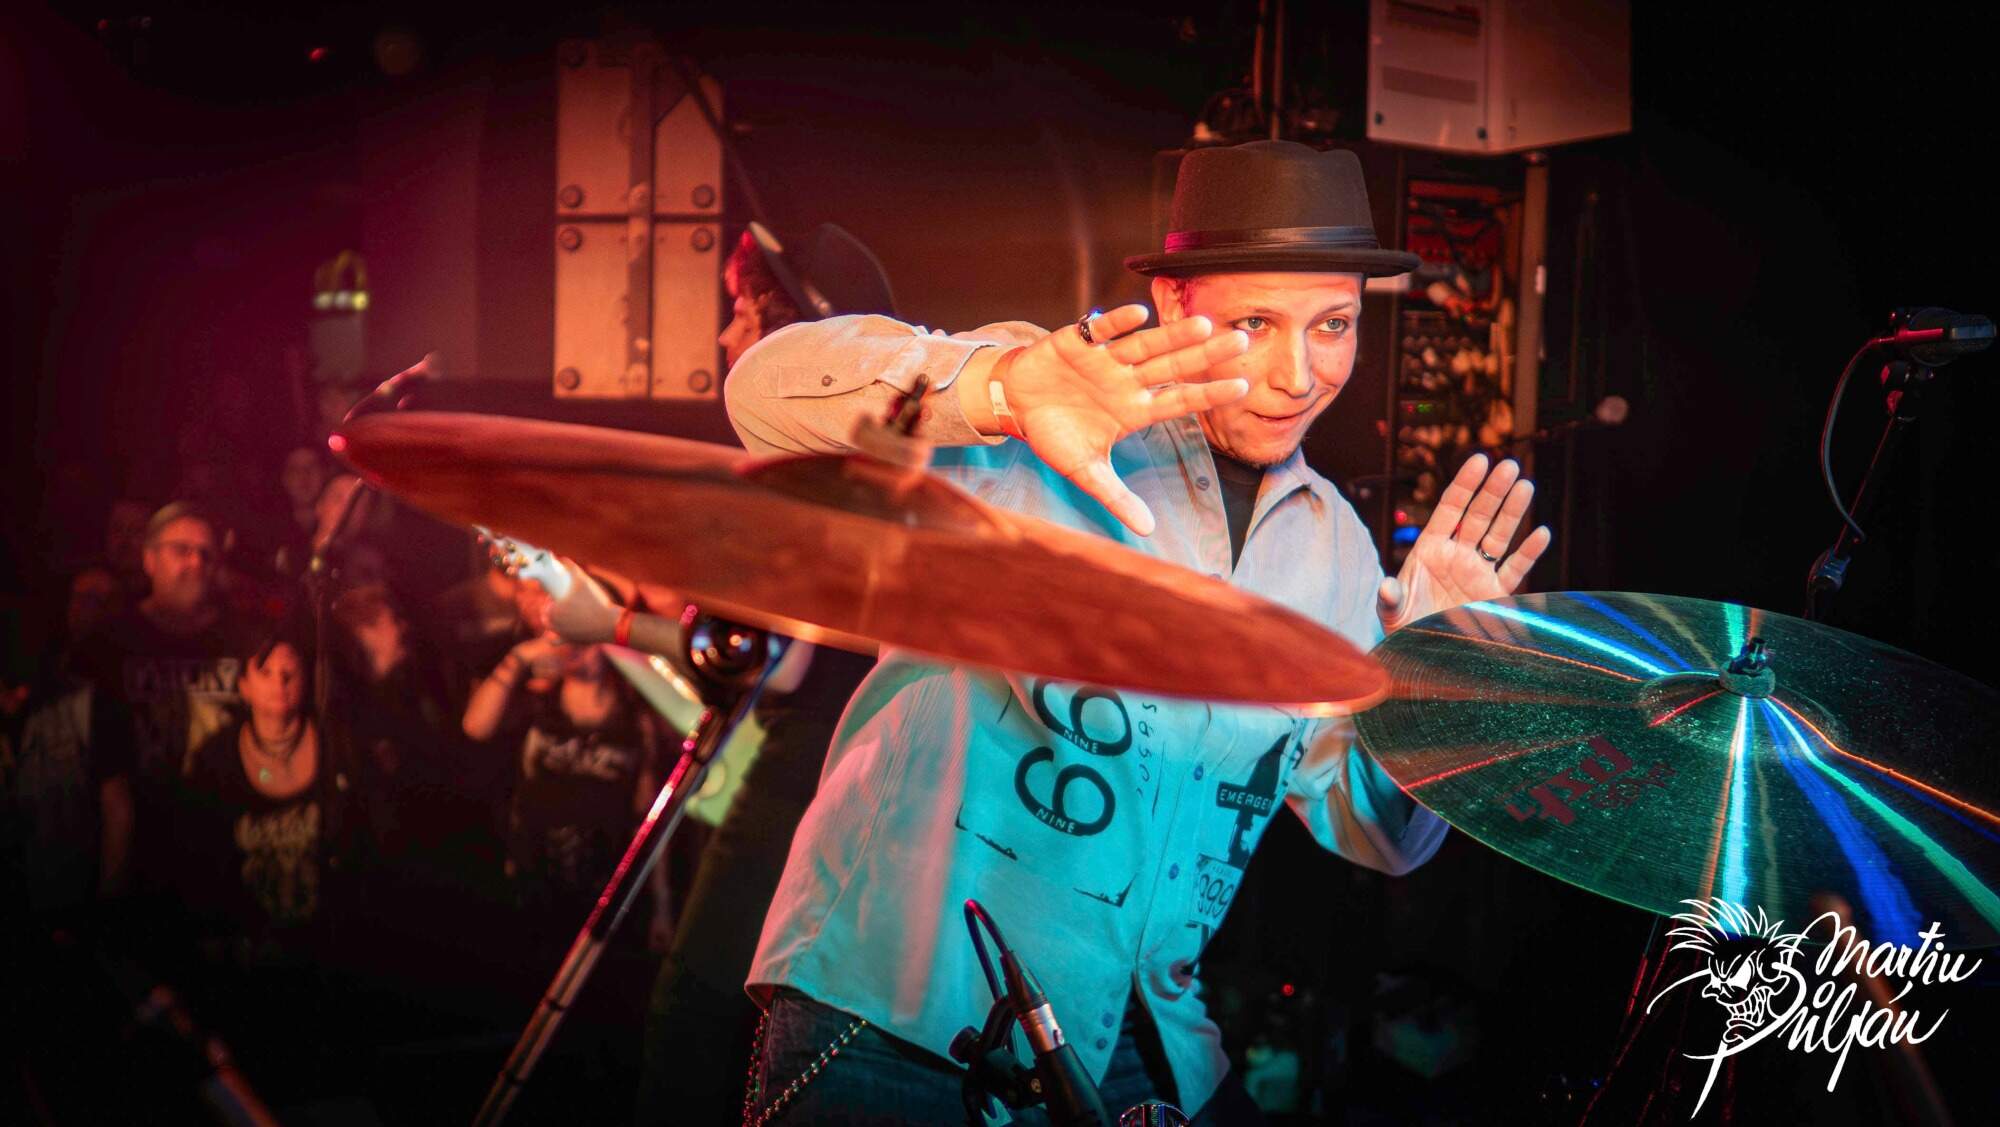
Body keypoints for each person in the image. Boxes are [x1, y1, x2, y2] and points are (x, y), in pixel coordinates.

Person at [720, 141, 1551, 1123]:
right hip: (902, 1019)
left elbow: (1377, 832)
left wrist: (1432, 676)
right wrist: (1000, 389)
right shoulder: (1033, 415)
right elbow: (763, 394)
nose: (1297, 374)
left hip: (1137, 1044)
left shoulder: (1333, 551)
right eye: (1253, 323)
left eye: (1332, 324)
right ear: (1170, 304)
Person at [78, 502, 255, 910]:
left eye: (206, 553)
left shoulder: (244, 641)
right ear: (149, 559)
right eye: (182, 550)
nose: (196, 562)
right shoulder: (112, 643)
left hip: (226, 847)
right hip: (140, 851)